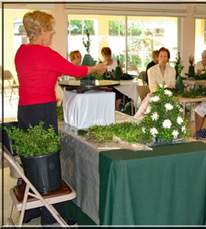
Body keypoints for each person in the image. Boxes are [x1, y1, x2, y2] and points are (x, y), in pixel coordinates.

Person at [14, 10, 107, 225]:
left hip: (25, 111)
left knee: (32, 160)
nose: (53, 32)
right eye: (51, 29)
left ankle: (33, 208)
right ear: (42, 31)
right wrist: (97, 67)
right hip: (42, 111)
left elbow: (41, 75)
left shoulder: (21, 52)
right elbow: (76, 70)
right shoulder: (46, 53)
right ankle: (50, 215)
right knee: (48, 163)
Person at [134, 47, 176, 119]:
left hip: (169, 96)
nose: (163, 58)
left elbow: (172, 85)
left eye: (165, 56)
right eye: (161, 56)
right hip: (154, 96)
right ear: (157, 57)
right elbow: (152, 87)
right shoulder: (151, 70)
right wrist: (162, 93)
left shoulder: (172, 70)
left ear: (168, 59)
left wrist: (166, 93)